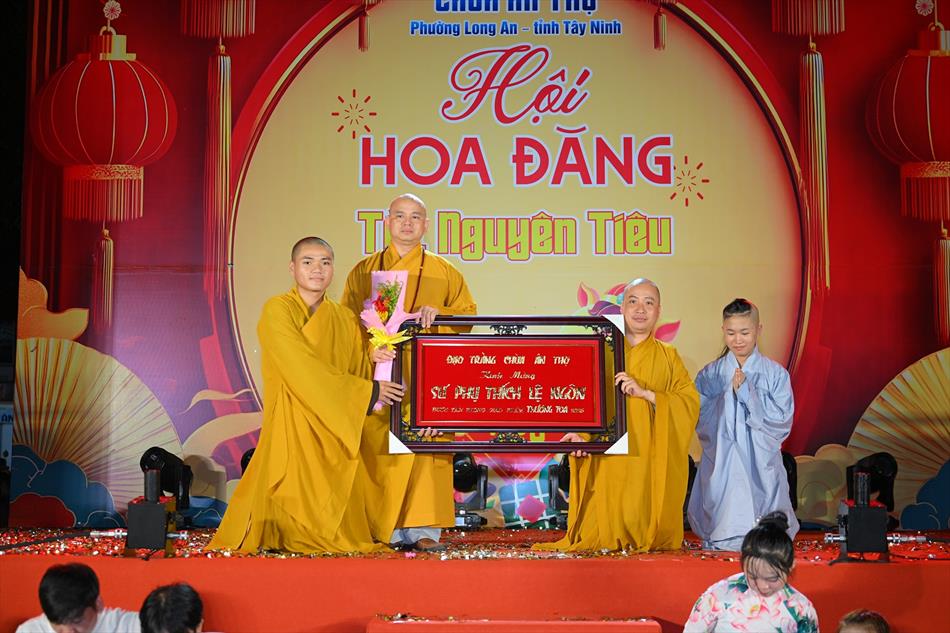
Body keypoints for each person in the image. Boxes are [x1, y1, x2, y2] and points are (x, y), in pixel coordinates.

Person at [207, 237, 405, 554]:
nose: (317, 269)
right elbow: (299, 364)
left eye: (325, 262)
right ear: (292, 268)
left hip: (333, 424)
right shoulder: (277, 310)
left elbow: (354, 366)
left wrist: (374, 358)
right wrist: (366, 392)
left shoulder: (344, 318)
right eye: (308, 262)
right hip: (294, 416)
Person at [341, 193, 477, 553]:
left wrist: (442, 312)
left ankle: (423, 528)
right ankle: (380, 524)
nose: (407, 223)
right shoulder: (365, 270)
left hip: (428, 376)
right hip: (381, 373)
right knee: (377, 446)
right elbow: (346, 324)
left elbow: (468, 316)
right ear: (387, 222)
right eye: (399, 216)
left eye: (415, 217)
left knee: (426, 446)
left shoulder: (444, 271)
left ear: (426, 225)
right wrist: (368, 351)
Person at [534, 278, 699, 552]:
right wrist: (581, 435)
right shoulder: (603, 351)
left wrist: (648, 394)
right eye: (633, 301)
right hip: (607, 456)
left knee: (641, 516)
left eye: (649, 303)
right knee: (601, 531)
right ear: (622, 308)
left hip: (647, 455)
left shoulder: (669, 356)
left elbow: (689, 403)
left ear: (659, 311)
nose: (640, 309)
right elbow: (585, 399)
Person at [687, 298, 799, 551]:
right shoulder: (711, 374)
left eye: (745, 333)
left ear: (758, 329)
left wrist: (749, 395)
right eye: (731, 333)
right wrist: (727, 397)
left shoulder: (775, 374)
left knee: (765, 513)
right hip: (723, 457)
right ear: (723, 331)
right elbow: (698, 415)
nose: (738, 340)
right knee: (722, 509)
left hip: (760, 458)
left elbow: (782, 421)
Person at [684, 512, 819, 632]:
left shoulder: (801, 609)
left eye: (772, 578)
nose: (762, 586)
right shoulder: (718, 596)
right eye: (753, 576)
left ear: (791, 565)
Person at [16, 563, 140, 633]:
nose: (68, 632)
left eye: (77, 621)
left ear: (98, 604)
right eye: (58, 626)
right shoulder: (30, 630)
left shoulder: (129, 626)